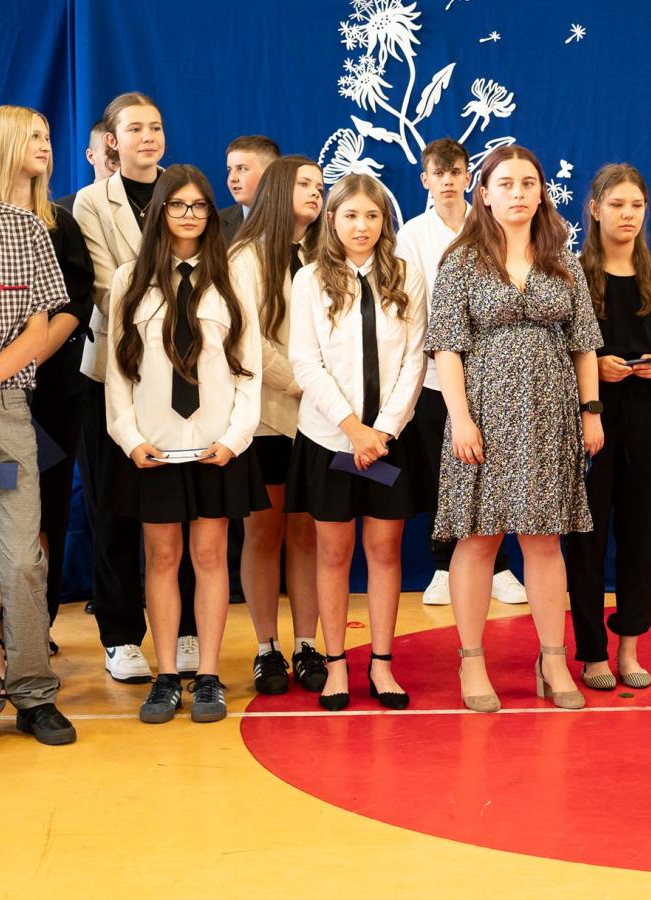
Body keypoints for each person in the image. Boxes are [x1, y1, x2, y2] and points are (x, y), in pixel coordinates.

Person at [427, 145, 601, 714]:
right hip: (482, 418)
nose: (519, 193)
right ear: (484, 193)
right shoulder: (461, 261)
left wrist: (590, 412)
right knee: (478, 539)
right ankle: (471, 660)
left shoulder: (565, 261)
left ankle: (552, 659)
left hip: (550, 417)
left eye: (529, 182)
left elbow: (584, 345)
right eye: (506, 183)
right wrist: (460, 419)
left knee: (545, 540)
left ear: (541, 192)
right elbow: (446, 348)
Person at [104, 164, 266, 724]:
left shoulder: (232, 278)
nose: (190, 215)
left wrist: (236, 438)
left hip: (215, 445)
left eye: (198, 205)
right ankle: (167, 675)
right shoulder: (129, 279)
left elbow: (249, 368)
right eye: (178, 205)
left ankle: (210, 676)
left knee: (211, 555)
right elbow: (117, 373)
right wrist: (129, 438)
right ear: (160, 213)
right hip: (155, 446)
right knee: (162, 556)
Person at [286, 173, 431, 711]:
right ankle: (335, 665)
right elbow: (306, 363)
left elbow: (415, 359)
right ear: (332, 220)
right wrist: (352, 429)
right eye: (350, 215)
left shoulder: (407, 276)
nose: (362, 226)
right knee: (333, 551)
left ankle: (383, 664)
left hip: (389, 440)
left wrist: (382, 431)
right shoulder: (310, 280)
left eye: (372, 216)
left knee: (385, 549)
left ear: (384, 222)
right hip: (330, 439)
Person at [74, 92, 201, 683]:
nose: (148, 137)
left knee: (185, 509)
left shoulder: (183, 189)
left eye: (156, 127)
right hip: (117, 371)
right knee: (115, 508)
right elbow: (107, 289)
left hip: (188, 376)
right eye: (135, 129)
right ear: (112, 141)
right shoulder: (90, 201)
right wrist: (172, 312)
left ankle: (188, 628)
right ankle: (121, 635)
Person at [563, 163, 651, 691]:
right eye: (617, 205)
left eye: (637, 205)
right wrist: (597, 370)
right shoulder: (571, 274)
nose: (628, 215)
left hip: (649, 416)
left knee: (640, 535)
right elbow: (561, 352)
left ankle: (629, 647)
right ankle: (592, 652)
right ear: (594, 209)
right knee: (586, 540)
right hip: (589, 419)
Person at [0, 107, 92, 668]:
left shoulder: (51, 224)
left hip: (40, 396)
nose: (45, 145)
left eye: (49, 136)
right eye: (33, 137)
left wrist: (16, 365)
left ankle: (31, 641)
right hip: (0, 392)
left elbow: (68, 308)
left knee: (36, 524)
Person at [396, 138, 528, 610]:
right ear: (425, 180)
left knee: (499, 473)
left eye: (456, 172)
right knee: (445, 475)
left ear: (470, 178)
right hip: (436, 375)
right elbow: (410, 307)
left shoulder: (490, 225)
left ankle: (499, 567)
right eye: (439, 173)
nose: (448, 181)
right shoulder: (412, 234)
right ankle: (442, 565)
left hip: (493, 374)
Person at [228, 155, 326, 695]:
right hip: (267, 416)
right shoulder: (244, 256)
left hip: (319, 419)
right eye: (305, 183)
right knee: (263, 531)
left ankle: (307, 643)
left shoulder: (326, 252)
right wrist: (307, 382)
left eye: (320, 185)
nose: (316, 192)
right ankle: (266, 647)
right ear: (280, 188)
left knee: (307, 528)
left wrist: (326, 392)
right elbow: (247, 341)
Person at [220, 136, 279, 242]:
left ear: (270, 174)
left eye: (242, 169)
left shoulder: (297, 217)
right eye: (229, 170)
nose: (232, 178)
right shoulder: (216, 224)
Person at [56, 120, 116, 214]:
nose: (120, 162)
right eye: (111, 154)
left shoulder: (140, 205)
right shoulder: (63, 209)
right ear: (90, 156)